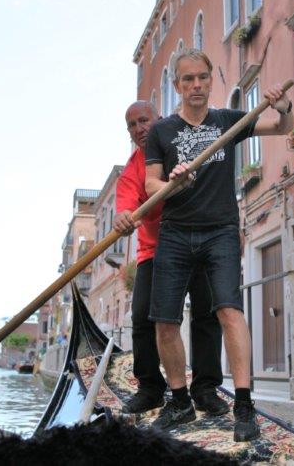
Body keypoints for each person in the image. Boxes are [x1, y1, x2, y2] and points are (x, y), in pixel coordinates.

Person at [144, 49, 293, 441]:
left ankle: (244, 404)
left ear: (212, 80)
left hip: (221, 230)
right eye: (188, 79)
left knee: (229, 311)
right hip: (176, 232)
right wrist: (173, 182)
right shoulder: (162, 132)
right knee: (164, 321)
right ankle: (179, 401)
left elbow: (280, 128)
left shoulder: (229, 121)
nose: (196, 86)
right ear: (177, 86)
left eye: (202, 78)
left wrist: (285, 107)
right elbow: (150, 187)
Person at [112, 100, 228, 416]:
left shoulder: (183, 146)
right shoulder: (133, 170)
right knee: (142, 318)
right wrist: (122, 218)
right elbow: (124, 206)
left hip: (199, 242)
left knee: (206, 315)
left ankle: (205, 389)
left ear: (159, 120)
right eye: (132, 125)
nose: (139, 129)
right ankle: (151, 388)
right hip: (155, 250)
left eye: (144, 120)